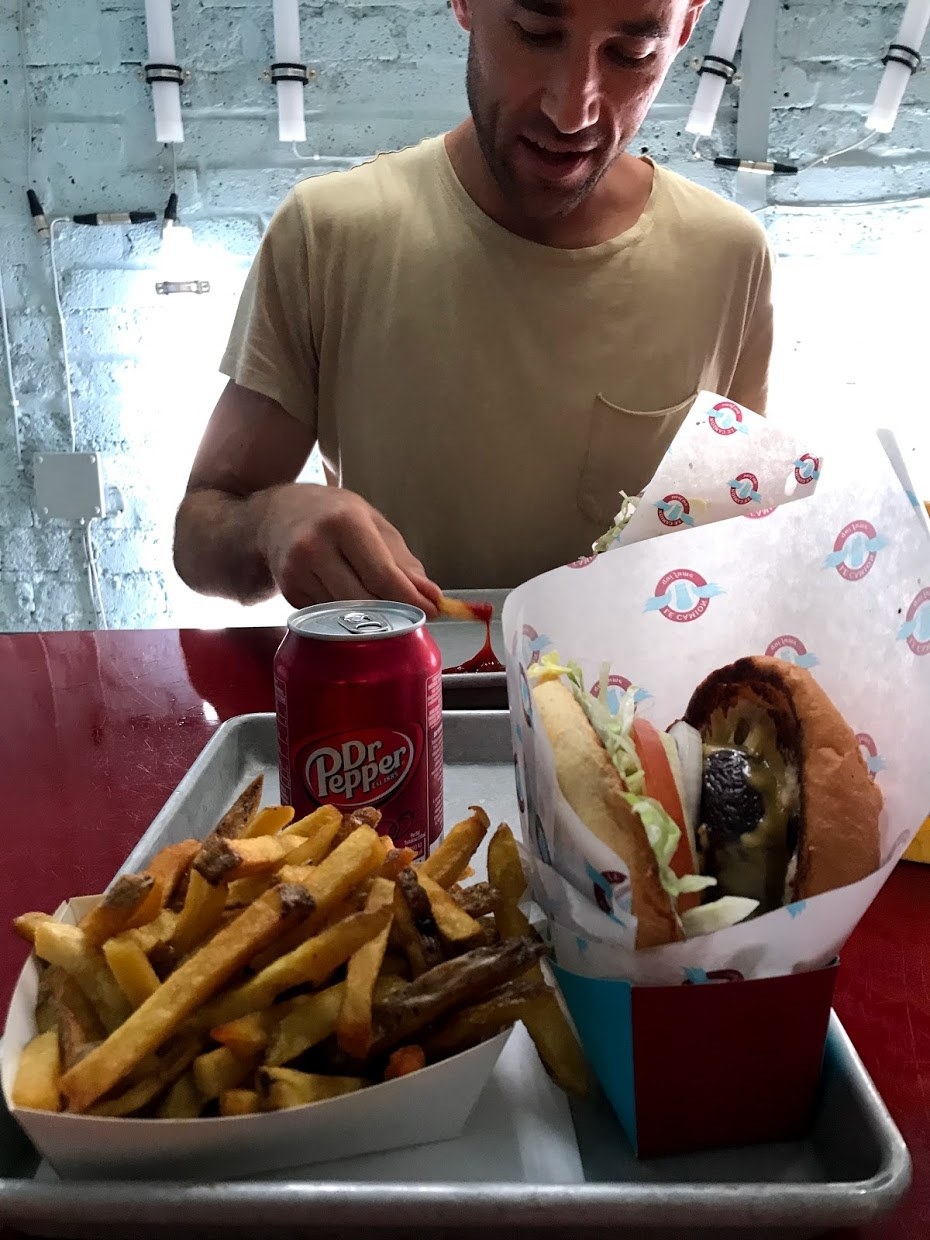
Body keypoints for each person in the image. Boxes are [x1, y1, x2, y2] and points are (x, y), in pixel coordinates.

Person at [173, 0, 774, 618]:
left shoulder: (728, 258)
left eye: (632, 55)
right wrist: (272, 520)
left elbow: (738, 538)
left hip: (636, 713)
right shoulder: (330, 234)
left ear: (686, 28)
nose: (572, 111)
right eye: (536, 33)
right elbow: (200, 533)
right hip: (397, 706)